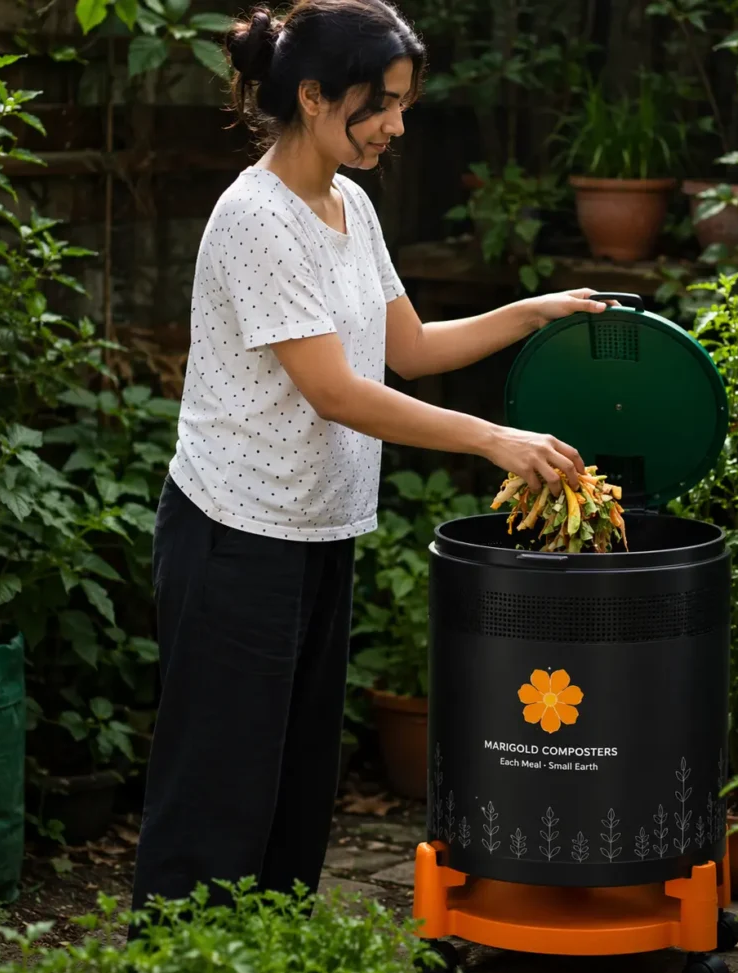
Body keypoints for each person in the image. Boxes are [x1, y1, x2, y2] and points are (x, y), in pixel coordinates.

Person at [129, 0, 611, 919]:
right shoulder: (255, 217)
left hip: (316, 523)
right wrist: (491, 439)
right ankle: (178, 971)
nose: (397, 125)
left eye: (402, 105)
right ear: (313, 97)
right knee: (219, 782)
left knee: (299, 775)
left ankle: (267, 963)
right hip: (234, 529)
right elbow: (339, 391)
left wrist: (530, 312)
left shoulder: (348, 202)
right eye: (381, 104)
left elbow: (410, 347)